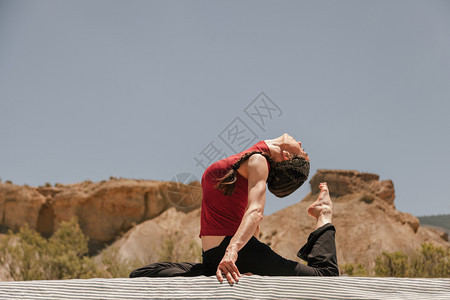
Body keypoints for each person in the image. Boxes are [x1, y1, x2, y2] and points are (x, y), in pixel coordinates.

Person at [130, 134, 339, 283]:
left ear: (286, 157)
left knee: (325, 277)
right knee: (142, 274)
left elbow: (256, 211)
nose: (301, 143)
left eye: (302, 152)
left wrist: (233, 251)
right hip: (214, 257)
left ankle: (323, 213)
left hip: (238, 252)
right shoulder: (253, 154)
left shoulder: (259, 161)